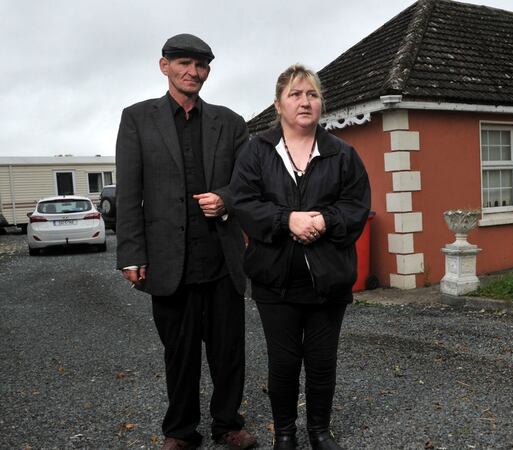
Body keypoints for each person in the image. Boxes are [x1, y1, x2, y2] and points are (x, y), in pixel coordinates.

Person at [115, 33, 257, 450]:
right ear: (165, 66)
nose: (194, 72)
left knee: (228, 352)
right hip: (167, 261)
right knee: (180, 354)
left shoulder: (230, 122)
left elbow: (247, 182)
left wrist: (226, 200)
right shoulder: (137, 118)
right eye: (184, 64)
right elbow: (129, 192)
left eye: (202, 66)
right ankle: (180, 431)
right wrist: (131, 253)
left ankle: (228, 424)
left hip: (222, 259)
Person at [229, 64, 371, 450]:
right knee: (285, 362)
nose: (305, 102)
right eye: (295, 94)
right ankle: (286, 434)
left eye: (312, 94)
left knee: (322, 361)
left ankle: (319, 432)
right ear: (278, 104)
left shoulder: (343, 154)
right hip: (275, 279)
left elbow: (357, 207)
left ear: (321, 102)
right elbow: (243, 202)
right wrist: (286, 219)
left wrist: (324, 220)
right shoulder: (256, 152)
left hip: (328, 279)